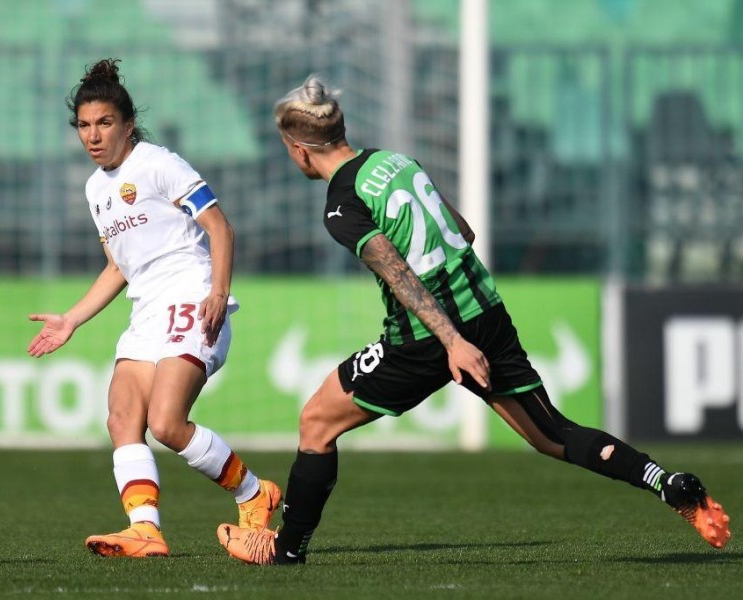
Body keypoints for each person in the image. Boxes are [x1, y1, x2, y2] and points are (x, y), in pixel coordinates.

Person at [216, 74, 731, 565]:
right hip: (484, 308)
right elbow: (461, 230)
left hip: (425, 336)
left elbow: (398, 274)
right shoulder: (397, 162)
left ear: (299, 149)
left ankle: (285, 549)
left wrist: (450, 343)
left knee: (316, 421)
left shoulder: (342, 202)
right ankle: (667, 482)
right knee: (551, 433)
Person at [28, 58, 280, 558]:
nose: (93, 136)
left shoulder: (160, 164)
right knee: (122, 418)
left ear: (126, 124)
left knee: (167, 424)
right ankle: (145, 529)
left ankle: (255, 494)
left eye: (103, 123)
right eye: (83, 125)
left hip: (191, 297)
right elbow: (118, 267)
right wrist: (72, 319)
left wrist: (216, 293)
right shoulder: (95, 189)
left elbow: (220, 228)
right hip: (146, 312)